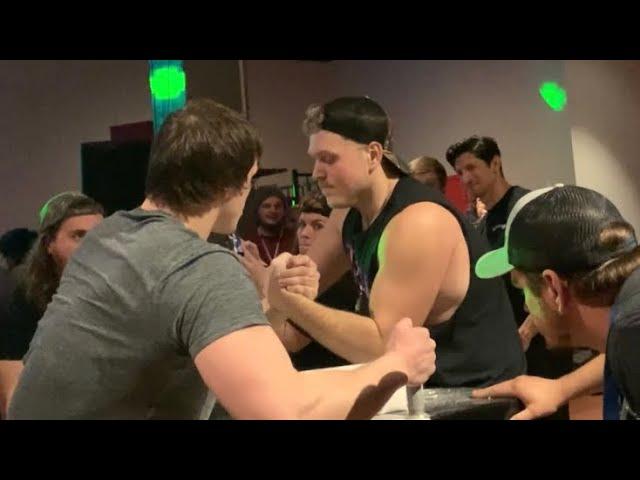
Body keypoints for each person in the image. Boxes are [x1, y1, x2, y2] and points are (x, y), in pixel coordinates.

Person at [8, 98, 436, 420]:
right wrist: (396, 364)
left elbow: (228, 355)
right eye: (251, 180)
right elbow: (285, 409)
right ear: (232, 184)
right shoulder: (199, 266)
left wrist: (271, 302)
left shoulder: (109, 237)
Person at [268, 96, 524, 388]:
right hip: (425, 387)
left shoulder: (419, 222)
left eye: (328, 159)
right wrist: (278, 290)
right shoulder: (347, 214)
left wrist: (284, 299)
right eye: (315, 159)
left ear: (373, 155)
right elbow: (290, 327)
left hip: (481, 394)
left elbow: (383, 345)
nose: (316, 173)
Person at [472, 185, 637, 420]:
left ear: (553, 288)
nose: (527, 307)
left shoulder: (632, 336)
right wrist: (560, 389)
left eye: (524, 291)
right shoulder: (626, 329)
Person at [447, 136, 575, 419]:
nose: (465, 178)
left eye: (472, 167)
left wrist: (528, 331)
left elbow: (552, 277)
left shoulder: (527, 207)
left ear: (495, 164)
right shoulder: (481, 225)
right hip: (511, 348)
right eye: (459, 172)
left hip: (540, 341)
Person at [0, 192, 104, 418]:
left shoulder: (115, 290)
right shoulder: (20, 293)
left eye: (98, 237)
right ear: (48, 243)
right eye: (79, 236)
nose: (92, 247)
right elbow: (13, 382)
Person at [241, 186, 296, 265]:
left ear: (284, 210)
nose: (273, 210)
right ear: (257, 210)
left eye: (278, 206)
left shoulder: (294, 238)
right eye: (267, 206)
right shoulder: (248, 241)